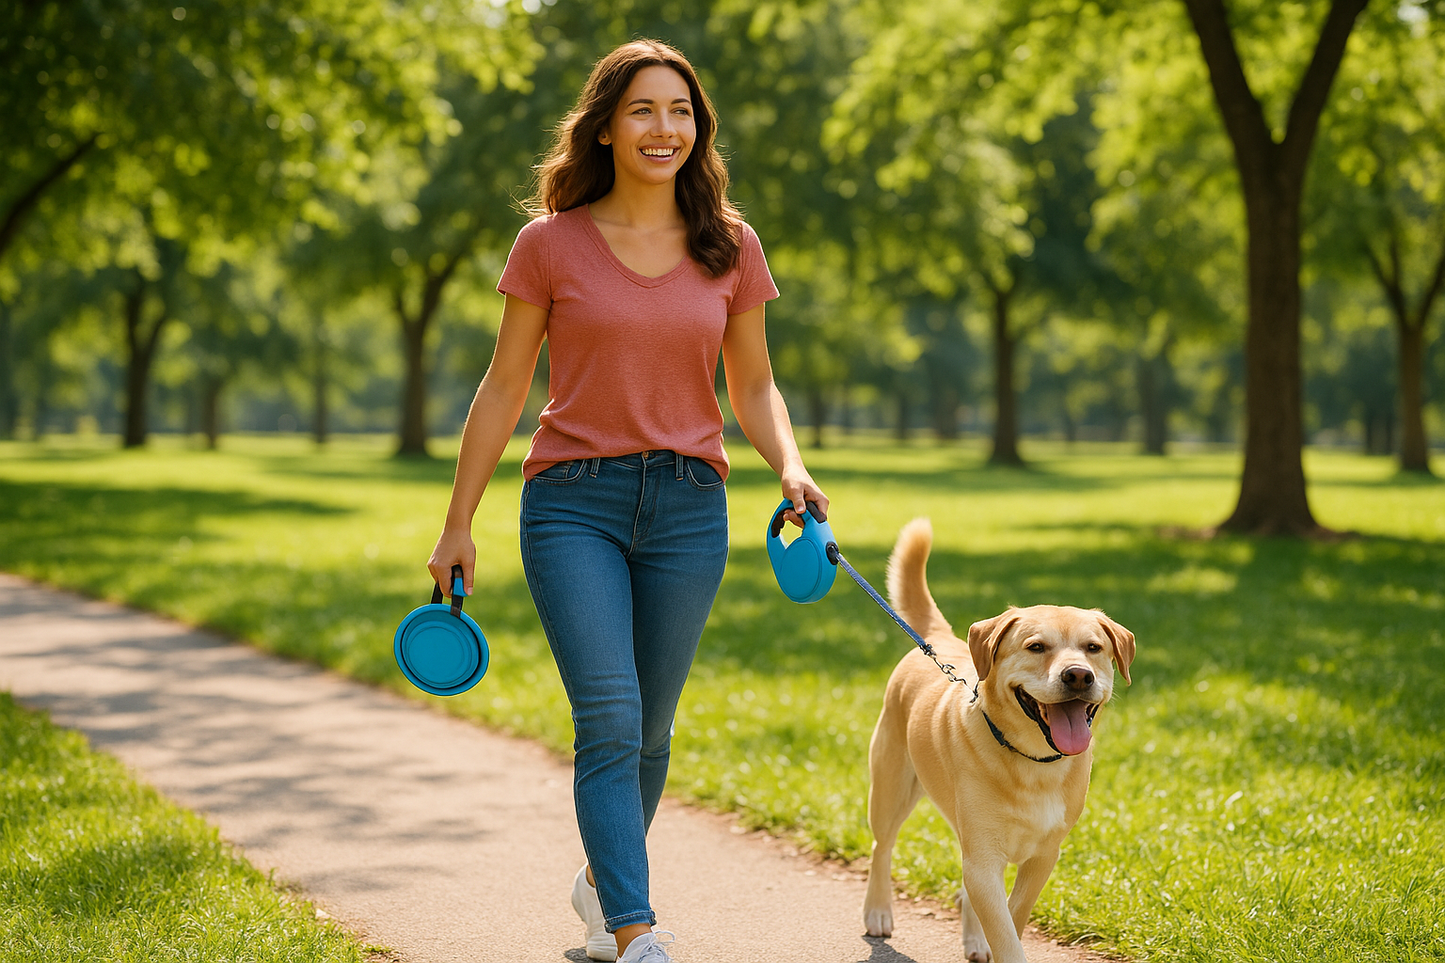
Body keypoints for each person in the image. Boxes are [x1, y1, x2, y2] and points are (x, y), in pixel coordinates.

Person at [426, 38, 827, 963]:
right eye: (642, 109)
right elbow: (503, 385)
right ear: (605, 126)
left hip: (689, 505)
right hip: (573, 502)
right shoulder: (549, 243)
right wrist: (457, 522)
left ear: (699, 129)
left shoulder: (730, 245)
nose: (662, 127)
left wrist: (790, 465)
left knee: (649, 728)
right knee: (608, 714)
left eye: (680, 110)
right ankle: (634, 929)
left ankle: (603, 880)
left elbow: (753, 383)